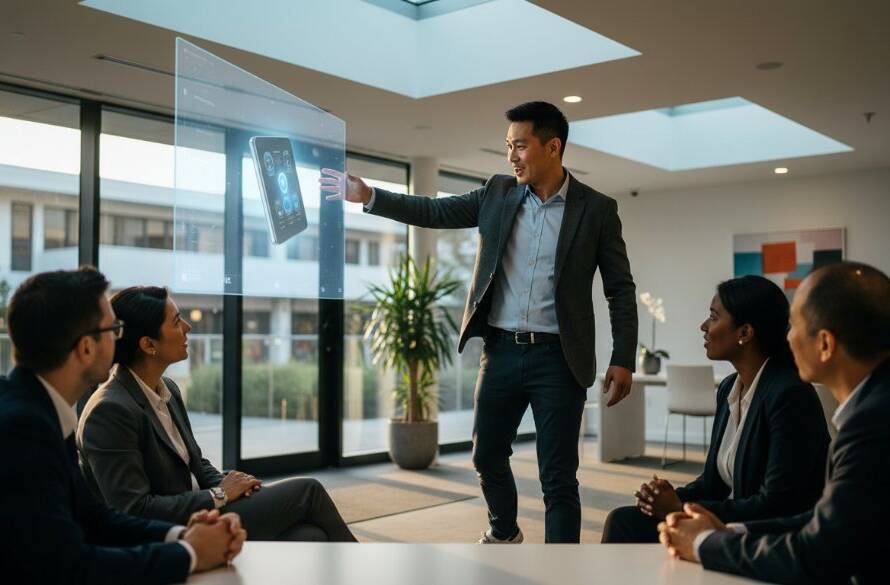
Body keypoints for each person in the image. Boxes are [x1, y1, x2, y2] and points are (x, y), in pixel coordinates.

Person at [321, 101, 638, 544]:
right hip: (501, 351)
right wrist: (370, 196)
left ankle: (563, 567)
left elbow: (619, 289)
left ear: (553, 147)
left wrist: (623, 357)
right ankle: (505, 532)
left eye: (520, 146)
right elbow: (435, 211)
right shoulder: (497, 193)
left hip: (559, 359)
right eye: (508, 146)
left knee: (558, 477)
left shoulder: (596, 209)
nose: (511, 157)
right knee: (486, 455)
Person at [0, 268, 245, 584]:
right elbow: (70, 567)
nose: (120, 339)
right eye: (114, 329)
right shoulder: (23, 430)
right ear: (86, 348)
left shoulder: (39, 410)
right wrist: (190, 553)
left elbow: (94, 518)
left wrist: (182, 535)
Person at [658, 262, 890, 585]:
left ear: (825, 344)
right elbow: (824, 520)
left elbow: (818, 553)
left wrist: (704, 543)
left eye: (795, 326)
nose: (787, 338)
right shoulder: (872, 407)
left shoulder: (872, 424)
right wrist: (728, 530)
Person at [77, 285, 356, 543]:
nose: (187, 327)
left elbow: (196, 463)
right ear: (149, 344)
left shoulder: (167, 389)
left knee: (310, 536)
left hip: (202, 508)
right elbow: (135, 509)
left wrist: (238, 485)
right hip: (171, 530)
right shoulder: (110, 411)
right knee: (308, 491)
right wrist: (219, 494)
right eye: (176, 321)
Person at [602, 275, 829, 543]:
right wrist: (670, 497)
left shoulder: (789, 395)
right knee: (623, 520)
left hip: (771, 535)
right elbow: (713, 484)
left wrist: (677, 508)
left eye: (713, 317)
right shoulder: (730, 387)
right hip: (733, 521)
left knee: (628, 527)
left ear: (745, 333)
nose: (703, 326)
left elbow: (777, 505)